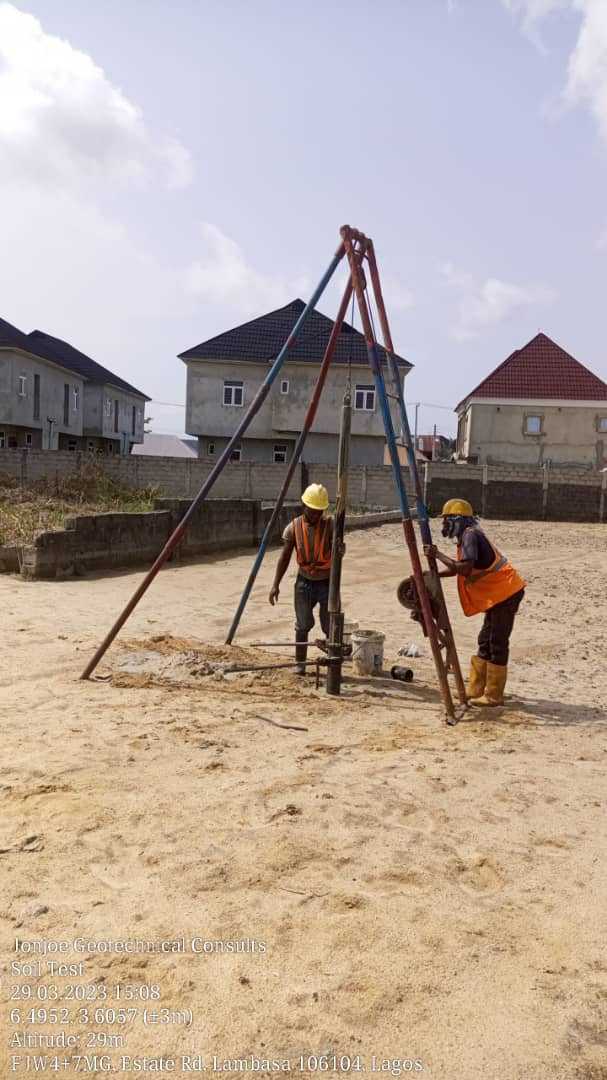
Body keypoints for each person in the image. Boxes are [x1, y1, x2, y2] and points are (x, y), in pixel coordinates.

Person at [423, 499, 525, 707]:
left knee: (496, 641)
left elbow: (465, 569)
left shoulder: (470, 535)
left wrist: (438, 555)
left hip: (506, 592)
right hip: (497, 594)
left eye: (447, 521)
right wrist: (434, 575)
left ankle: (494, 695)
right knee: (484, 639)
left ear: (457, 519)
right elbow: (458, 567)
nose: (444, 526)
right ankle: (477, 688)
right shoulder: (466, 537)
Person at [269, 483, 333, 675]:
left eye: (318, 512)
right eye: (312, 511)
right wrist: (275, 584)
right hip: (304, 582)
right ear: (304, 506)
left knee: (329, 623)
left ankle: (332, 663)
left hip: (326, 582)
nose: (315, 516)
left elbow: (339, 548)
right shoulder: (293, 529)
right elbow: (285, 557)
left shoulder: (330, 525)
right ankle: (300, 662)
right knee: (302, 623)